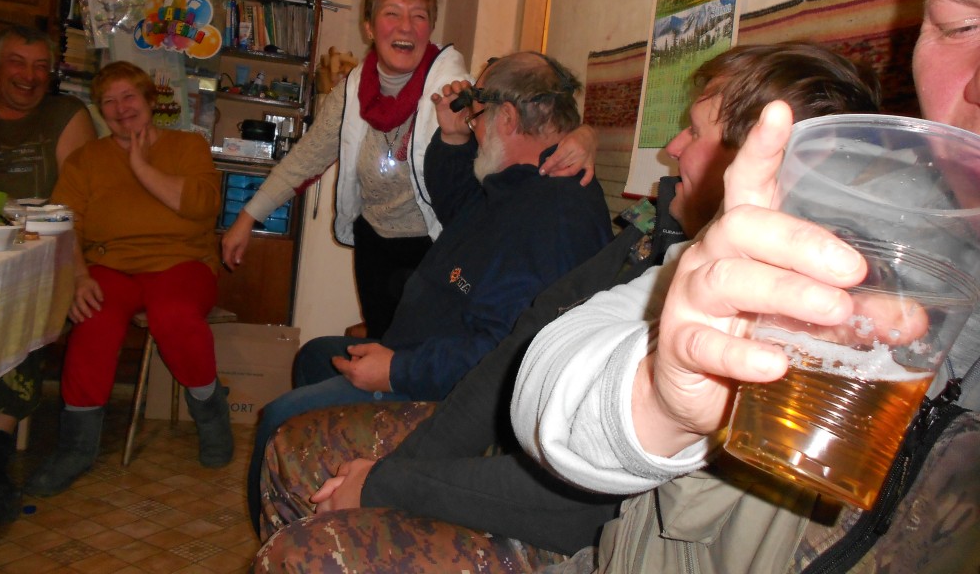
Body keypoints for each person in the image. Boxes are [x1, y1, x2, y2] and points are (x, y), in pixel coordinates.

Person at [509, 0, 980, 572]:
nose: (669, 150)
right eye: (959, 24)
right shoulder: (838, 225)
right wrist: (661, 396)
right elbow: (546, 364)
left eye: (697, 131)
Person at [248, 43, 882, 571]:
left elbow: (583, 501)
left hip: (563, 522)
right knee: (298, 432)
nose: (671, 148)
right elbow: (518, 351)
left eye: (694, 131)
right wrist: (390, 473)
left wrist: (391, 476)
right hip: (507, 442)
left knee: (299, 512)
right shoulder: (651, 240)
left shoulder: (796, 325)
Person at [246, 50, 614, 528]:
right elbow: (459, 202)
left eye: (477, 117)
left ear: (506, 118)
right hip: (425, 353)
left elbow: (502, 357)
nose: (475, 127)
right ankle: (325, 507)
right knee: (316, 356)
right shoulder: (519, 183)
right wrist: (454, 136)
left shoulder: (552, 215)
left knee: (280, 418)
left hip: (451, 396)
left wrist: (398, 371)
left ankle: (291, 539)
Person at [221, 0, 595, 340]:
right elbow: (305, 159)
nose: (406, 27)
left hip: (433, 247)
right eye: (392, 14)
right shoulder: (351, 92)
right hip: (373, 245)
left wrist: (584, 134)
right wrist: (247, 217)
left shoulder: (454, 88)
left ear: (430, 29)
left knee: (418, 355)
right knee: (381, 344)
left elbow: (531, 115)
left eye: (419, 16)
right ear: (369, 27)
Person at [24, 61, 230, 498]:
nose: (121, 109)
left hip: (182, 263)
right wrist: (78, 278)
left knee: (174, 316)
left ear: (150, 100)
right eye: (109, 101)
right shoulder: (86, 160)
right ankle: (77, 447)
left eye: (129, 97)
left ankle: (212, 414)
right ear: (100, 110)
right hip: (109, 266)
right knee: (93, 320)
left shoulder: (188, 146)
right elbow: (64, 224)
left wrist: (140, 165)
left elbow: (203, 205)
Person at [0, 25, 96, 536]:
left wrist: (79, 272)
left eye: (41, 67)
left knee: (21, 308)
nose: (30, 76)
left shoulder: (65, 115)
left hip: (35, 256)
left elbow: (75, 204)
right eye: (18, 62)